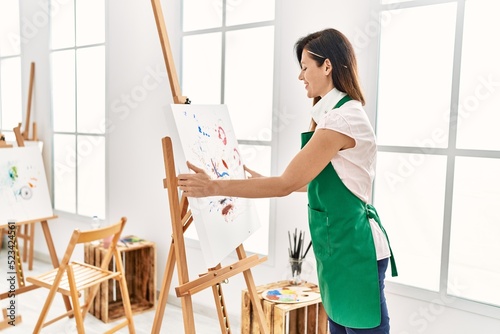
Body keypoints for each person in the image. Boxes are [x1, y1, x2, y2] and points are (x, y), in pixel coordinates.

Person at [178, 28, 398, 333]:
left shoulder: (341, 120)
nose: (301, 76)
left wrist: (214, 187)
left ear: (327, 66)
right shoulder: (331, 115)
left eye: (305, 67)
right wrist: (259, 179)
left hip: (355, 252)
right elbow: (321, 181)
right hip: (337, 250)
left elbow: (286, 185)